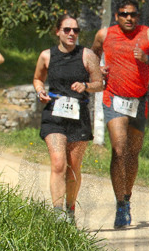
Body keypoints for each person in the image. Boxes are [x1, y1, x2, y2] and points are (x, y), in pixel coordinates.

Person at [91, 0, 149, 228]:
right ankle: (119, 204)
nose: (129, 18)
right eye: (124, 14)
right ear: (116, 16)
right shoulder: (104, 34)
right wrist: (97, 68)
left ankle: (127, 198)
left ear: (138, 16)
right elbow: (91, 55)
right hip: (113, 99)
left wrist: (147, 59)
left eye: (133, 15)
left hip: (138, 101)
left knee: (132, 154)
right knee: (119, 149)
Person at [32, 14, 104, 221]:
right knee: (58, 164)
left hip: (78, 116)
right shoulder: (47, 56)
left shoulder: (87, 55)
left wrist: (86, 86)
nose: (72, 34)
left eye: (76, 30)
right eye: (67, 30)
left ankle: (70, 210)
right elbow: (38, 78)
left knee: (73, 168)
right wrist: (40, 91)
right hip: (54, 115)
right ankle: (57, 215)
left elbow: (100, 84)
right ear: (58, 32)